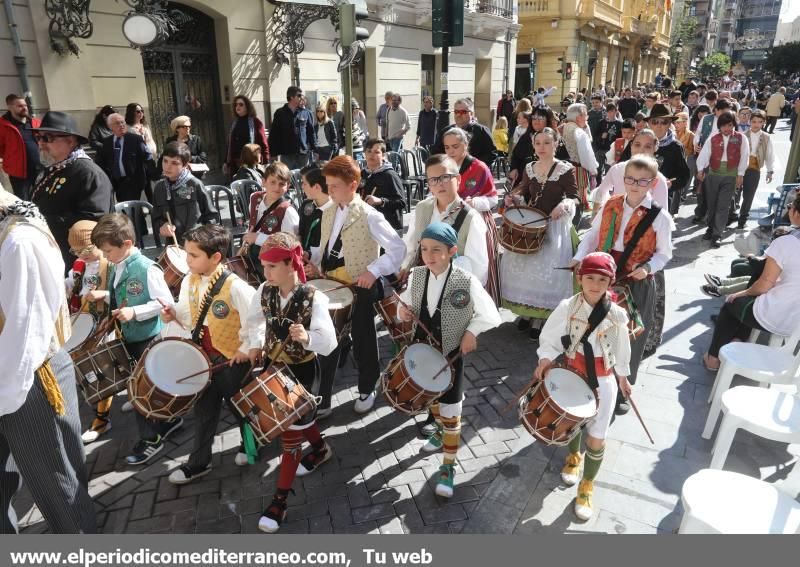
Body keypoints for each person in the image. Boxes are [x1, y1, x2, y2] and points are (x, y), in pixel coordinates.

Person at [0, 191, 96, 533]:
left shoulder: (19, 240)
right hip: (11, 379)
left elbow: (25, 338)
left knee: (60, 493)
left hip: (26, 380)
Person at [398, 222, 501, 498]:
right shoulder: (417, 275)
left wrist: (471, 331)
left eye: (436, 250)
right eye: (424, 249)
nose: (429, 255)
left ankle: (448, 467)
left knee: (451, 410)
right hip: (422, 349)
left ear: (452, 251)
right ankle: (440, 432)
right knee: (431, 398)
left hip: (449, 356)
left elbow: (490, 314)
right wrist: (403, 312)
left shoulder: (465, 281)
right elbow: (404, 303)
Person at [244, 232, 337, 532]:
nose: (265, 272)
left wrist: (308, 337)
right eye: (263, 266)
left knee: (289, 434)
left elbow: (329, 342)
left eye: (271, 267)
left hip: (303, 370)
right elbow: (254, 321)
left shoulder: (314, 297)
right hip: (275, 366)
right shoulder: (264, 291)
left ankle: (279, 502)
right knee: (297, 421)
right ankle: (321, 449)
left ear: (290, 264)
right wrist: (256, 344)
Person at [572, 156, 673, 414]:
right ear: (623, 179)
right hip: (605, 273)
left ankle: (623, 389)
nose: (635, 185)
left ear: (652, 183)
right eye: (630, 179)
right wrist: (578, 257)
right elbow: (593, 235)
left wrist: (648, 268)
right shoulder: (611, 204)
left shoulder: (659, 216)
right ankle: (593, 378)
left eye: (642, 181)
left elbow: (665, 253)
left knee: (630, 336)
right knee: (596, 329)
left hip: (636, 279)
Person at [536, 252, 632, 521]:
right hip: (573, 372)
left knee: (597, 435)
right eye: (589, 277)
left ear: (610, 282)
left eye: (602, 279)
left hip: (603, 378)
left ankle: (587, 486)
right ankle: (573, 457)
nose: (595, 284)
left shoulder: (617, 314)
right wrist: (545, 358)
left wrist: (623, 377)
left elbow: (623, 349)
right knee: (573, 422)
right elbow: (550, 336)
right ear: (580, 279)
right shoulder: (568, 306)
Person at [161, 224, 258, 483]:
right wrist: (173, 313)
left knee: (241, 407)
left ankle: (250, 444)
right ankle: (199, 462)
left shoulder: (236, 286)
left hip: (230, 359)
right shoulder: (189, 281)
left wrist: (245, 349)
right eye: (186, 254)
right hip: (202, 358)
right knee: (204, 410)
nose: (187, 260)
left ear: (215, 257)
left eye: (193, 255)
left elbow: (256, 321)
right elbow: (188, 312)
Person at [309, 156, 405, 414]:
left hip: (360, 283)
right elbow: (324, 245)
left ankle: (368, 386)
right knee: (326, 338)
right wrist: (314, 263)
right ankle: (324, 399)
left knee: (364, 337)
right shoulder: (329, 210)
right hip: (332, 284)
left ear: (353, 185)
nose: (329, 191)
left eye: (335, 186)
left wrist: (373, 271)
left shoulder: (370, 215)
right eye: (327, 185)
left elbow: (397, 249)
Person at [87, 213, 180, 464]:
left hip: (147, 337)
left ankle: (151, 440)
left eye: (108, 251)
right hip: (131, 336)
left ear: (126, 244)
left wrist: (135, 312)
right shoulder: (120, 264)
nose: (105, 256)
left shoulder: (147, 268)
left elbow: (166, 303)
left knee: (140, 389)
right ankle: (169, 420)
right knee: (148, 385)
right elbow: (125, 294)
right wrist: (106, 297)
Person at [703, 195, 800, 371]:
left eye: (790, 205)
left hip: (779, 317)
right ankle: (737, 341)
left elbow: (764, 285)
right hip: (796, 325)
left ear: (796, 213)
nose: (788, 208)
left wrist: (741, 293)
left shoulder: (787, 242)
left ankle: (712, 359)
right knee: (749, 302)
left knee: (732, 303)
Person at [502, 127, 579, 340]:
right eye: (538, 143)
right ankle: (528, 312)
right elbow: (524, 189)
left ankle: (542, 318)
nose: (542, 147)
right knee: (528, 273)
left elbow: (576, 197)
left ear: (556, 144)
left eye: (547, 142)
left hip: (554, 227)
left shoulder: (565, 169)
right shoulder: (529, 167)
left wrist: (564, 205)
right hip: (532, 224)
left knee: (549, 273)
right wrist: (513, 198)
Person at [30, 111, 113, 269]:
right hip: (52, 253)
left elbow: (93, 221)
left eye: (48, 138)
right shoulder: (53, 169)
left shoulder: (89, 173)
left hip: (77, 261)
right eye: (38, 138)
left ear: (71, 140)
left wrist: (45, 221)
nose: (41, 144)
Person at [401, 154, 488, 285]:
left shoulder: (471, 217)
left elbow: (478, 267)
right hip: (421, 283)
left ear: (458, 179)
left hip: (453, 287)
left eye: (445, 177)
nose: (439, 184)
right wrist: (404, 267)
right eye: (433, 180)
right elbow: (412, 244)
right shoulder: (421, 208)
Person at [63, 220, 113, 443]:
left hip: (106, 322)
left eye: (85, 250)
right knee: (86, 370)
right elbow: (69, 284)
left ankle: (101, 421)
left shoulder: (109, 262)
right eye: (76, 251)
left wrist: (104, 295)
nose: (81, 255)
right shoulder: (79, 264)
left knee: (101, 370)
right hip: (84, 320)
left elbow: (122, 293)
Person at [297, 164, 339, 419]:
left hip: (331, 281)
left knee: (329, 337)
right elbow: (306, 238)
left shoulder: (335, 212)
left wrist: (320, 268)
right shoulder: (309, 208)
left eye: (303, 183)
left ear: (316, 187)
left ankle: (325, 395)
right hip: (311, 276)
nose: (301, 188)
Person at [441, 128, 500, 303]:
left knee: (478, 265)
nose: (451, 151)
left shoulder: (480, 168)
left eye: (455, 147)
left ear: (465, 145)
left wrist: (475, 202)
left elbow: (493, 198)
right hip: (450, 223)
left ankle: (480, 307)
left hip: (477, 221)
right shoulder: (443, 167)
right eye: (447, 147)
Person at [623, 103, 690, 217]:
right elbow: (622, 165)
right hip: (633, 196)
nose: (659, 125)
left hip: (660, 201)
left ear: (670, 124)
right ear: (648, 123)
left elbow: (683, 176)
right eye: (655, 122)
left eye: (664, 122)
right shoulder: (637, 141)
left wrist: (670, 183)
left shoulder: (675, 147)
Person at [696, 110, 749, 248]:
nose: (727, 128)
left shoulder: (741, 138)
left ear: (734, 125)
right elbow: (705, 153)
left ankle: (717, 234)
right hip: (713, 174)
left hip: (731, 176)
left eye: (730, 125)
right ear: (719, 126)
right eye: (724, 125)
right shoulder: (713, 137)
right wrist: (700, 169)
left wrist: (741, 174)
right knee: (712, 204)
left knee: (723, 206)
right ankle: (710, 228)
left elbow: (744, 157)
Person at [151, 142, 218, 245]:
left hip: (197, 244)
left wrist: (203, 237)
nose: (168, 167)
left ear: (185, 165)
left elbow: (211, 217)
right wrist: (162, 226)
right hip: (173, 246)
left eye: (174, 163)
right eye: (165, 161)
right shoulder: (159, 188)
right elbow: (156, 218)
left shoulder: (194, 184)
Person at [593, 129, 670, 211]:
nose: (641, 150)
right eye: (637, 145)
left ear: (655, 148)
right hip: (615, 221)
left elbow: (662, 213)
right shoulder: (617, 169)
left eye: (647, 146)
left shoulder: (658, 179)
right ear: (631, 145)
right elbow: (601, 192)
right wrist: (595, 215)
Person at [243, 161, 300, 269]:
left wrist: (259, 238)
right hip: (253, 255)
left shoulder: (288, 211)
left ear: (288, 186)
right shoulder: (255, 198)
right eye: (272, 182)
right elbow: (253, 224)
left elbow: (292, 245)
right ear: (263, 182)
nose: (277, 187)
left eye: (281, 184)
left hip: (275, 264)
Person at [97, 113, 155, 203]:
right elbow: (101, 161)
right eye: (117, 123)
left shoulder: (136, 139)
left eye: (122, 122)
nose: (121, 125)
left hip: (132, 181)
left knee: (130, 207)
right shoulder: (107, 142)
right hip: (116, 181)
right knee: (122, 207)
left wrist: (154, 174)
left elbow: (147, 157)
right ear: (110, 127)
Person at [431, 98, 496, 168]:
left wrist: (476, 167)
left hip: (474, 174)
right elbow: (436, 152)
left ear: (471, 114)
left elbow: (491, 153)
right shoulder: (446, 131)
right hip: (451, 173)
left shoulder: (482, 131)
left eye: (463, 112)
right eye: (456, 112)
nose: (459, 115)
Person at [560, 103, 598, 218]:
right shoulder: (579, 131)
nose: (587, 118)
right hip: (579, 169)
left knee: (569, 196)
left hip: (567, 166)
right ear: (579, 117)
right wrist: (593, 169)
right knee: (578, 198)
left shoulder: (565, 127)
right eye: (585, 115)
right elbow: (587, 155)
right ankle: (575, 223)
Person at [739, 110, 776, 229]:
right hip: (740, 167)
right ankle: (731, 215)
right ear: (750, 122)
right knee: (735, 192)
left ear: (764, 123)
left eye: (760, 122)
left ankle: (742, 219)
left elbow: (770, 155)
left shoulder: (766, 137)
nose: (756, 124)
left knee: (748, 195)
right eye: (754, 121)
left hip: (754, 168)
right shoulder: (743, 135)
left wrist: (770, 171)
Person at [0, 94, 41, 200]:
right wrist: (10, 160)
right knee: (24, 201)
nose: (24, 108)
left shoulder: (34, 122)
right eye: (20, 106)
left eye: (25, 105)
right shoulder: (3, 126)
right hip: (19, 174)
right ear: (9, 107)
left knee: (43, 199)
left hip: (39, 170)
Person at [360, 139, 405, 231]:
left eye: (376, 152)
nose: (371, 155)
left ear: (383, 155)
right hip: (367, 223)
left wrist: (381, 201)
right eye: (369, 151)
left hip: (387, 225)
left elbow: (401, 202)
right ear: (364, 153)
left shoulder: (390, 175)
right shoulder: (362, 173)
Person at [508, 106, 559, 185]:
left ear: (548, 120)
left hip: (548, 184)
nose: (536, 121)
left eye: (540, 118)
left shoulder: (555, 139)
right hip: (525, 184)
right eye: (534, 118)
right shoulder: (526, 137)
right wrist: (514, 168)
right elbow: (516, 155)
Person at [268, 86, 315, 170]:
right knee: (288, 178)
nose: (301, 97)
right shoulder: (280, 113)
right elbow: (274, 135)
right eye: (299, 95)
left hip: (303, 154)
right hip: (287, 154)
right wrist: (273, 154)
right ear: (291, 97)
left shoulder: (306, 113)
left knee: (303, 179)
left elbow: (311, 133)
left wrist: (315, 149)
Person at [225, 94, 269, 176]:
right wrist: (226, 162)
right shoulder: (234, 123)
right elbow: (230, 144)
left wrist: (265, 162)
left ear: (247, 107)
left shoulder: (256, 122)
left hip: (251, 162)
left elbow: (263, 143)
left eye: (241, 104)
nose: (238, 107)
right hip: (236, 163)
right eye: (236, 105)